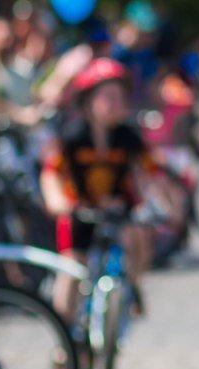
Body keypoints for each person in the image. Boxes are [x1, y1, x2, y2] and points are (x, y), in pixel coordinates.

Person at [39, 58, 154, 322]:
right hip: (80, 210)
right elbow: (51, 172)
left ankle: (132, 286)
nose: (116, 103)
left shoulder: (128, 137)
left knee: (139, 238)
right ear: (88, 101)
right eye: (108, 97)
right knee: (72, 267)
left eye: (120, 97)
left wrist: (153, 202)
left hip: (117, 208)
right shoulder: (71, 137)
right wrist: (57, 201)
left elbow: (148, 172)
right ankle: (64, 330)